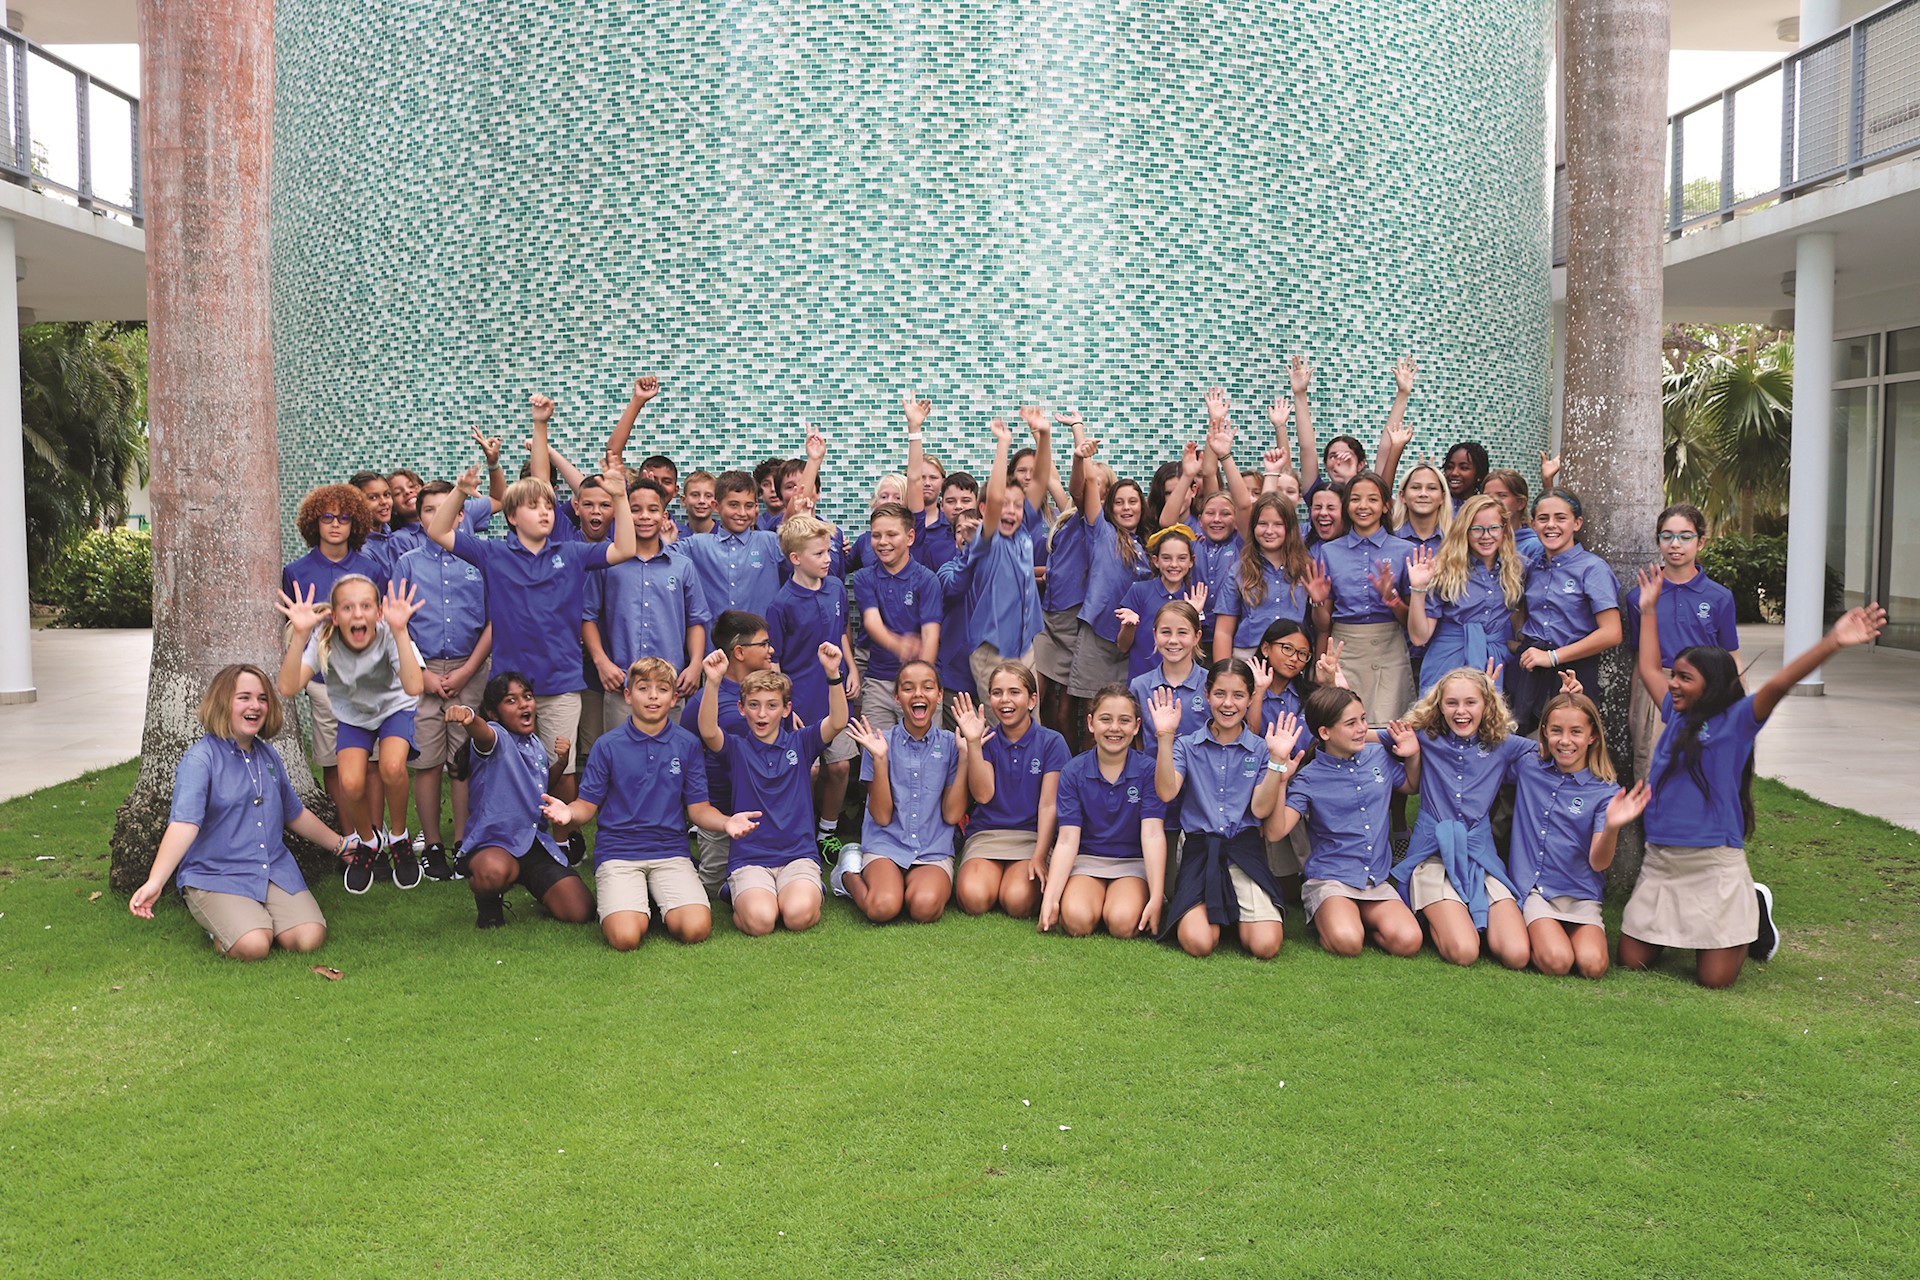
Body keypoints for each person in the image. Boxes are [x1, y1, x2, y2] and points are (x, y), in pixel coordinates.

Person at [1619, 575, 1886, 988]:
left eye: (1685, 678)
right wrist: (1649, 609)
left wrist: (1833, 641)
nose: (1673, 683)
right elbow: (1649, 666)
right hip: (1663, 862)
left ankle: (1753, 910)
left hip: (1713, 864)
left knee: (1715, 981)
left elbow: (1780, 683)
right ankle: (1705, 924)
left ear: (1713, 684)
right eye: (1676, 676)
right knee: (1632, 961)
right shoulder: (1674, 715)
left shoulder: (1737, 721)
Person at [427, 452, 637, 826]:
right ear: (511, 517)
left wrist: (620, 499)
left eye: (549, 507)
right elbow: (439, 532)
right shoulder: (492, 552)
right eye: (533, 506)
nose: (545, 512)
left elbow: (625, 549)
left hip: (561, 682)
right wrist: (459, 493)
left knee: (563, 766)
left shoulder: (572, 553)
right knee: (509, 766)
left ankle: (562, 838)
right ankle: (514, 831)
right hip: (510, 686)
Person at [541, 658, 759, 950]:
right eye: (643, 688)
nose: (653, 696)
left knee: (696, 929)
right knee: (625, 937)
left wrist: (726, 822)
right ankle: (640, 904)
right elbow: (586, 806)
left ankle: (654, 900)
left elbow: (698, 810)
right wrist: (568, 812)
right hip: (619, 853)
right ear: (628, 695)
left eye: (662, 689)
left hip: (670, 852)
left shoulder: (687, 744)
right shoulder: (607, 746)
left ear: (674, 697)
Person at [130, 665, 341, 960]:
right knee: (254, 945)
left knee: (309, 938)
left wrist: (341, 846)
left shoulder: (269, 756)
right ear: (223, 702)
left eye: (262, 698)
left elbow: (294, 813)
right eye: (244, 697)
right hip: (215, 874)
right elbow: (184, 825)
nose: (255, 705)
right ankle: (230, 928)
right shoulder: (200, 760)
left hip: (271, 869)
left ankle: (253, 918)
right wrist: (155, 881)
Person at [276, 574, 426, 892]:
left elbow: (415, 686)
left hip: (395, 708)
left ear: (378, 613)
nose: (357, 614)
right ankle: (368, 841)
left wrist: (400, 631)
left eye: (366, 606)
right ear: (334, 615)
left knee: (392, 766)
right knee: (350, 783)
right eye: (347, 607)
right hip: (354, 715)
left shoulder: (390, 632)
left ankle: (398, 837)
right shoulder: (324, 639)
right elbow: (288, 687)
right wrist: (301, 635)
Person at [696, 642, 851, 936]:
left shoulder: (801, 743)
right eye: (753, 705)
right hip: (750, 858)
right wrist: (713, 683)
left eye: (771, 705)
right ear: (742, 709)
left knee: (797, 916)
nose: (762, 714)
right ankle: (739, 892)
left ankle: (797, 891)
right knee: (761, 922)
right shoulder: (736, 749)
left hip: (798, 855)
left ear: (786, 709)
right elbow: (707, 731)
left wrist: (833, 674)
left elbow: (838, 721)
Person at [1149, 660, 1291, 959]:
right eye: (1220, 694)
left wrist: (1277, 761)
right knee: (1198, 943)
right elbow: (1166, 791)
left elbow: (1261, 809)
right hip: (1201, 850)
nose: (1228, 703)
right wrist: (1164, 737)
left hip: (1244, 849)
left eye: (1238, 695)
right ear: (1207, 694)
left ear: (1251, 698)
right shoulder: (1186, 745)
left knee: (1266, 946)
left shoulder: (1262, 748)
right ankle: (1213, 913)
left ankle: (1235, 911)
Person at [1393, 666, 1533, 969]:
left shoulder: (1503, 744)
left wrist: (1569, 702)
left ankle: (1463, 913)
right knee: (1464, 952)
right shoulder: (1425, 737)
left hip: (1478, 857)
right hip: (1432, 858)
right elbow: (1359, 735)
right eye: (1451, 703)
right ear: (1438, 706)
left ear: (1486, 704)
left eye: (1471, 702)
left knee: (1517, 954)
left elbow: (1556, 750)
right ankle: (1436, 918)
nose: (1461, 711)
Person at [1509, 677, 1649, 979]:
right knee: (1557, 962)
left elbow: (1599, 862)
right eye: (1556, 730)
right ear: (1544, 732)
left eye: (1576, 732)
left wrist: (1612, 826)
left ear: (1592, 737)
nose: (1565, 741)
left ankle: (1555, 935)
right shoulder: (1529, 764)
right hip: (1537, 891)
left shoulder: (1605, 792)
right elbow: (1492, 738)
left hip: (1580, 894)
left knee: (1593, 966)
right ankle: (1532, 931)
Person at [1271, 686, 1425, 958]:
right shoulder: (1308, 778)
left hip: (1375, 879)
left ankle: (1358, 917)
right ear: (1325, 733)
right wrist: (1281, 781)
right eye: (1351, 723)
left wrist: (1412, 755)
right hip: (1331, 879)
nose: (1362, 728)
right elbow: (1276, 831)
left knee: (1409, 941)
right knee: (1348, 943)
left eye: (1363, 719)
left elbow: (1411, 785)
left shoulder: (1379, 756)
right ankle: (1338, 919)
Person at [396, 480, 494, 881]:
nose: (437, 516)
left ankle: (463, 842)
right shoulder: (407, 563)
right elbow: (396, 623)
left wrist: (468, 670)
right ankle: (433, 843)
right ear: (419, 518)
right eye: (428, 510)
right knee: (428, 761)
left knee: (463, 761)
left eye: (446, 509)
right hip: (423, 670)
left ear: (460, 515)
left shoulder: (479, 560)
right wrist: (424, 675)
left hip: (470, 668)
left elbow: (494, 620)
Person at [445, 671, 595, 929]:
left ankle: (538, 885)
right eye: (511, 700)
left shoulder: (534, 743)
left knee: (581, 910)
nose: (524, 704)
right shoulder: (495, 736)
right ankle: (489, 904)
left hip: (533, 842)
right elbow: (482, 734)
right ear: (494, 713)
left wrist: (560, 762)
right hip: (495, 843)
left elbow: (540, 788)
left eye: (527, 697)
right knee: (495, 872)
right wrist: (470, 718)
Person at [834, 661, 969, 924]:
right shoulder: (878, 742)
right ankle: (848, 874)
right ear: (897, 697)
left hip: (932, 849)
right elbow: (882, 817)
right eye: (908, 688)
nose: (918, 694)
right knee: (883, 907)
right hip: (887, 845)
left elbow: (953, 815)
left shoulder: (953, 744)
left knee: (924, 908)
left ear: (939, 695)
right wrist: (881, 760)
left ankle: (903, 885)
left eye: (928, 687)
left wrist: (966, 756)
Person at [281, 483, 383, 818]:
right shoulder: (296, 572)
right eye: (327, 517)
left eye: (343, 517)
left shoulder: (371, 570)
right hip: (324, 684)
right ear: (315, 523)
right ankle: (350, 839)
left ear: (355, 524)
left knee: (371, 762)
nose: (335, 524)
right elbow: (294, 631)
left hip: (368, 681)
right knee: (333, 762)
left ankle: (378, 839)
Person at [1621, 503, 1740, 785]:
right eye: (1667, 536)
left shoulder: (1720, 597)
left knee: (1704, 768)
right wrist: (1637, 708)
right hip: (1657, 686)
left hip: (1707, 688)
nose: (1676, 544)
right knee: (1652, 768)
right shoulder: (1640, 596)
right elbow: (1642, 659)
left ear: (1701, 542)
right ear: (1658, 540)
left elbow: (1731, 654)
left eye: (1685, 536)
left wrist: (1736, 702)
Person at [1037, 686, 1169, 939]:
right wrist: (1051, 898)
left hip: (1131, 863)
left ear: (1136, 726)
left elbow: (1152, 834)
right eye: (1105, 719)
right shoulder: (1073, 771)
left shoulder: (1148, 770)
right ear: (1091, 723)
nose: (1114, 728)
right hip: (1087, 861)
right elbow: (1066, 839)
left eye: (1124, 720)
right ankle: (1093, 901)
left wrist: (1155, 896)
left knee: (1122, 923)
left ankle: (1120, 903)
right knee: (1075, 921)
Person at [767, 513, 862, 860]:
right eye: (820, 554)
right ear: (796, 559)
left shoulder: (836, 586)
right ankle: (801, 832)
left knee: (839, 767)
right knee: (808, 771)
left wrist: (851, 669)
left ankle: (828, 831)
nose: (828, 560)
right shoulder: (781, 604)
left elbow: (840, 632)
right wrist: (784, 708)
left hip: (834, 696)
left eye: (829, 552)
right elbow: (773, 662)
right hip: (800, 705)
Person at [952, 662, 1068, 918]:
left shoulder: (1052, 742)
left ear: (1032, 699)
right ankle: (993, 879)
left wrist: (1039, 856)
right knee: (973, 899)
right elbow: (983, 795)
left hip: (1031, 837)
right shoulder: (985, 740)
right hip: (987, 835)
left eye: (1014, 692)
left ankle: (1011, 879)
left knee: (1017, 902)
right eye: (997, 693)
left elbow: (1049, 805)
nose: (1005, 700)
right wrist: (973, 743)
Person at [1312, 470, 1416, 727]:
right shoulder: (1329, 551)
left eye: (1372, 499)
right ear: (1347, 506)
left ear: (1386, 506)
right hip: (1346, 649)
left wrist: (1391, 598)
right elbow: (1323, 624)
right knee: (1343, 723)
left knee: (1389, 728)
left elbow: (1411, 622)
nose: (1363, 506)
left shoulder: (1405, 550)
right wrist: (1317, 601)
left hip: (1390, 648)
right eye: (1355, 499)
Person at [1513, 490, 1621, 732]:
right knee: (1525, 741)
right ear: (1533, 524)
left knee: (1569, 741)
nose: (1551, 525)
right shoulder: (1533, 566)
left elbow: (1612, 633)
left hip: (1573, 669)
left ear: (1577, 523)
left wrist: (1553, 657)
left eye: (1560, 518)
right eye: (1543, 518)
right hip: (1530, 667)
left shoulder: (1592, 568)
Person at [682, 610, 774, 891]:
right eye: (764, 644)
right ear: (739, 652)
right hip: (720, 811)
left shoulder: (773, 693)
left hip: (765, 811)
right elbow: (687, 750)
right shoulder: (705, 700)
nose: (771, 650)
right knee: (711, 886)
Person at [952, 418, 1044, 698]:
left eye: (1018, 505)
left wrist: (1046, 434)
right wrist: (1003, 444)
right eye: (1005, 504)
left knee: (1030, 722)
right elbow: (994, 499)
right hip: (991, 651)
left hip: (1024, 647)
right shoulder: (987, 540)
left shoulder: (1023, 536)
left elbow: (1040, 482)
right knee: (999, 726)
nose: (1012, 511)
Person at [1405, 494, 1527, 697]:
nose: (1486, 536)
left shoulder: (1518, 569)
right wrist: (1418, 589)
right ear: (1465, 531)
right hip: (1449, 658)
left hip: (1493, 661)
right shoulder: (1444, 570)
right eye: (1477, 529)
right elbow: (1419, 637)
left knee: (1488, 723)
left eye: (1494, 528)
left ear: (1504, 530)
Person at [851, 503, 942, 736]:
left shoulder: (926, 579)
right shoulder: (864, 577)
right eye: (876, 535)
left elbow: (931, 635)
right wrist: (897, 644)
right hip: (879, 681)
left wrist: (921, 683)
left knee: (923, 751)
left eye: (891, 534)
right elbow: (872, 622)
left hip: (918, 684)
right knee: (875, 752)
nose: (883, 542)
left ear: (910, 537)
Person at [1070, 436, 1150, 698]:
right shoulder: (1101, 533)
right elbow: (1088, 484)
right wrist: (1083, 453)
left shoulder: (1150, 544)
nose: (1126, 507)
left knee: (1130, 708)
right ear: (1109, 507)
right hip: (1099, 633)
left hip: (1136, 637)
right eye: (1119, 502)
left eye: (1133, 501)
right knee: (1094, 710)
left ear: (1142, 506)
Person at [1213, 492, 1324, 663]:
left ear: (1290, 528)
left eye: (1278, 524)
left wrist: (1318, 602)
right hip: (1249, 657)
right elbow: (1223, 631)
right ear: (1253, 527)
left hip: (1294, 657)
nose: (1269, 531)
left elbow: (1321, 627)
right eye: (1262, 524)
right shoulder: (1239, 571)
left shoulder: (1307, 569)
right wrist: (1222, 674)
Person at [678, 469, 784, 617]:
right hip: (714, 638)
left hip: (762, 637)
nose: (741, 513)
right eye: (733, 505)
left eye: (749, 506)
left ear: (756, 507)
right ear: (716, 506)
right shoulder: (696, 545)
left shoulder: (770, 542)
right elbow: (657, 556)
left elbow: (803, 549)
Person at [1115, 527, 1213, 680]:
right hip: (1142, 683)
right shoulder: (1139, 591)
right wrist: (1130, 627)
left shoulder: (1193, 597)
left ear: (1191, 561)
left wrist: (1195, 614)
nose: (1174, 564)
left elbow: (1196, 652)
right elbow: (1122, 646)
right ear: (1156, 561)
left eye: (1181, 558)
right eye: (1166, 558)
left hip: (1181, 685)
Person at [1482, 467, 1542, 561]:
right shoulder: (1479, 541)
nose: (1492, 501)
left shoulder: (1534, 547)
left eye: (1501, 496)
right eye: (1486, 496)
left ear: (1520, 503)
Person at [1440, 441, 1491, 509]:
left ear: (1479, 474)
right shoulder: (1437, 505)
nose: (1454, 473)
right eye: (1449, 467)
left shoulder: (1483, 508)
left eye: (1464, 468)